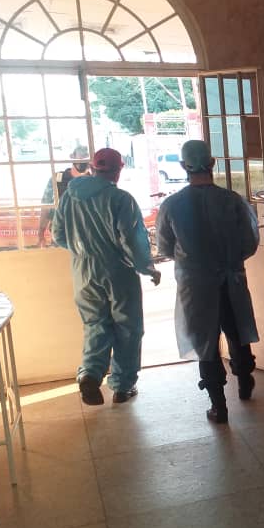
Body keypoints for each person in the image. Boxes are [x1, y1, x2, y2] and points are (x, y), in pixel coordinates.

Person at [156, 139, 259, 424]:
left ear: (183, 166)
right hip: (230, 281)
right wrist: (229, 261)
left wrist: (193, 260)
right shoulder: (232, 201)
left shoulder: (172, 205)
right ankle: (245, 380)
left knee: (206, 342)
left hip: (196, 285)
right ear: (212, 163)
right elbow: (249, 242)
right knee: (236, 330)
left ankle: (218, 406)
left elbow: (164, 247)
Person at [52, 148, 161, 406]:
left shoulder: (70, 197)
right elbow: (132, 240)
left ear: (92, 168)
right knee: (128, 328)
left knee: (95, 324)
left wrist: (83, 252)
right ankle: (123, 386)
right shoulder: (121, 199)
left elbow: (58, 234)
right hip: (118, 270)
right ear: (118, 170)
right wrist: (148, 268)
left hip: (83, 272)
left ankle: (90, 373)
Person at [38, 145, 90, 246]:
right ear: (72, 157)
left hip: (86, 236)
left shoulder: (94, 181)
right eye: (81, 157)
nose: (84, 161)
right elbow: (46, 206)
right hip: (61, 235)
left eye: (87, 158)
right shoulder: (57, 179)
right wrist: (41, 233)